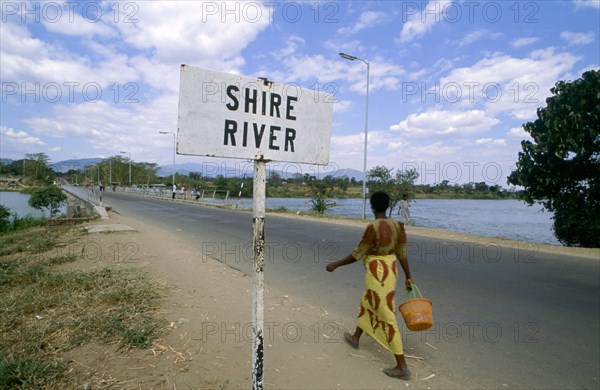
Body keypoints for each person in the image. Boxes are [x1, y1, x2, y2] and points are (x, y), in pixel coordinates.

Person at [326, 191, 414, 380]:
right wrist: (408, 277)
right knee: (368, 302)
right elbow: (402, 254)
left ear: (372, 206)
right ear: (388, 206)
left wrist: (335, 264)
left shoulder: (372, 228)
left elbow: (357, 254)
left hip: (377, 273)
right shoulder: (398, 226)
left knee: (386, 314)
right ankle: (355, 338)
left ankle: (402, 366)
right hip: (391, 270)